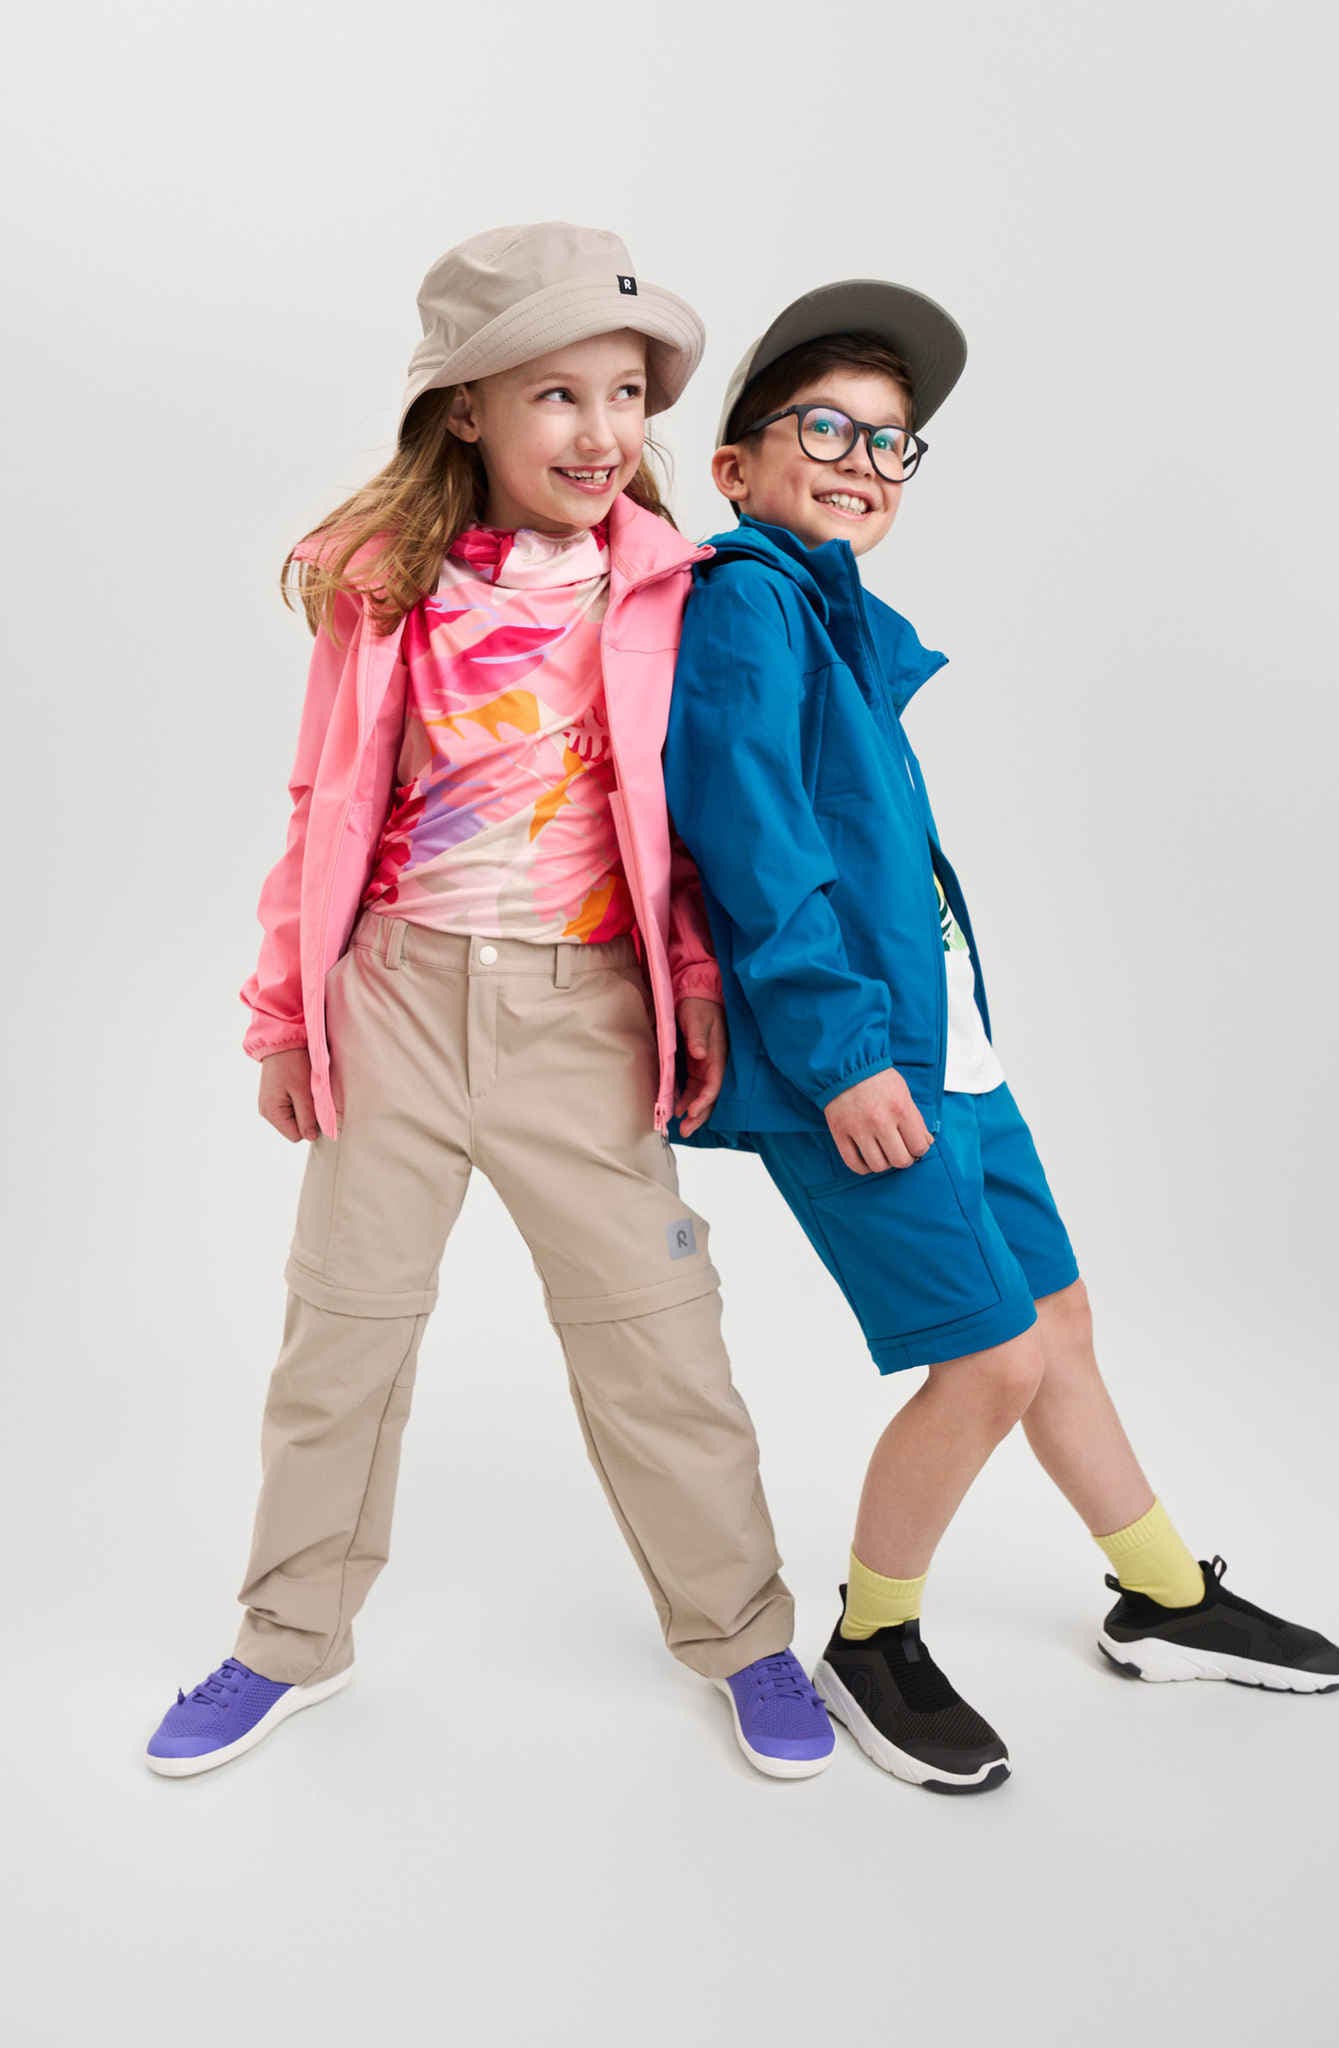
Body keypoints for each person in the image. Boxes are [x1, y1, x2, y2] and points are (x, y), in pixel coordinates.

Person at [143, 225, 834, 1781]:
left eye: (626, 395)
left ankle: (742, 1636)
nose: (601, 433)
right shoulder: (384, 585)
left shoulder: (669, 588)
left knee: (658, 1338)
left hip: (583, 1015)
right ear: (465, 407)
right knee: (342, 1338)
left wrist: (697, 987)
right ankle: (288, 1639)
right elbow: (324, 799)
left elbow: (698, 818)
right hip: (392, 998)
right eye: (556, 395)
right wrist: (282, 1015)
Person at [663, 280, 1339, 1795]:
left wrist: (928, 1042)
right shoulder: (745, 602)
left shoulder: (834, 619)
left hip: (950, 1056)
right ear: (734, 466)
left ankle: (1161, 1596)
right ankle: (872, 1640)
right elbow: (754, 847)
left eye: (890, 442)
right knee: (987, 1361)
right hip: (857, 1067)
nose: (861, 460)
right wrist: (844, 1058)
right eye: (824, 428)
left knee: (1059, 1325)